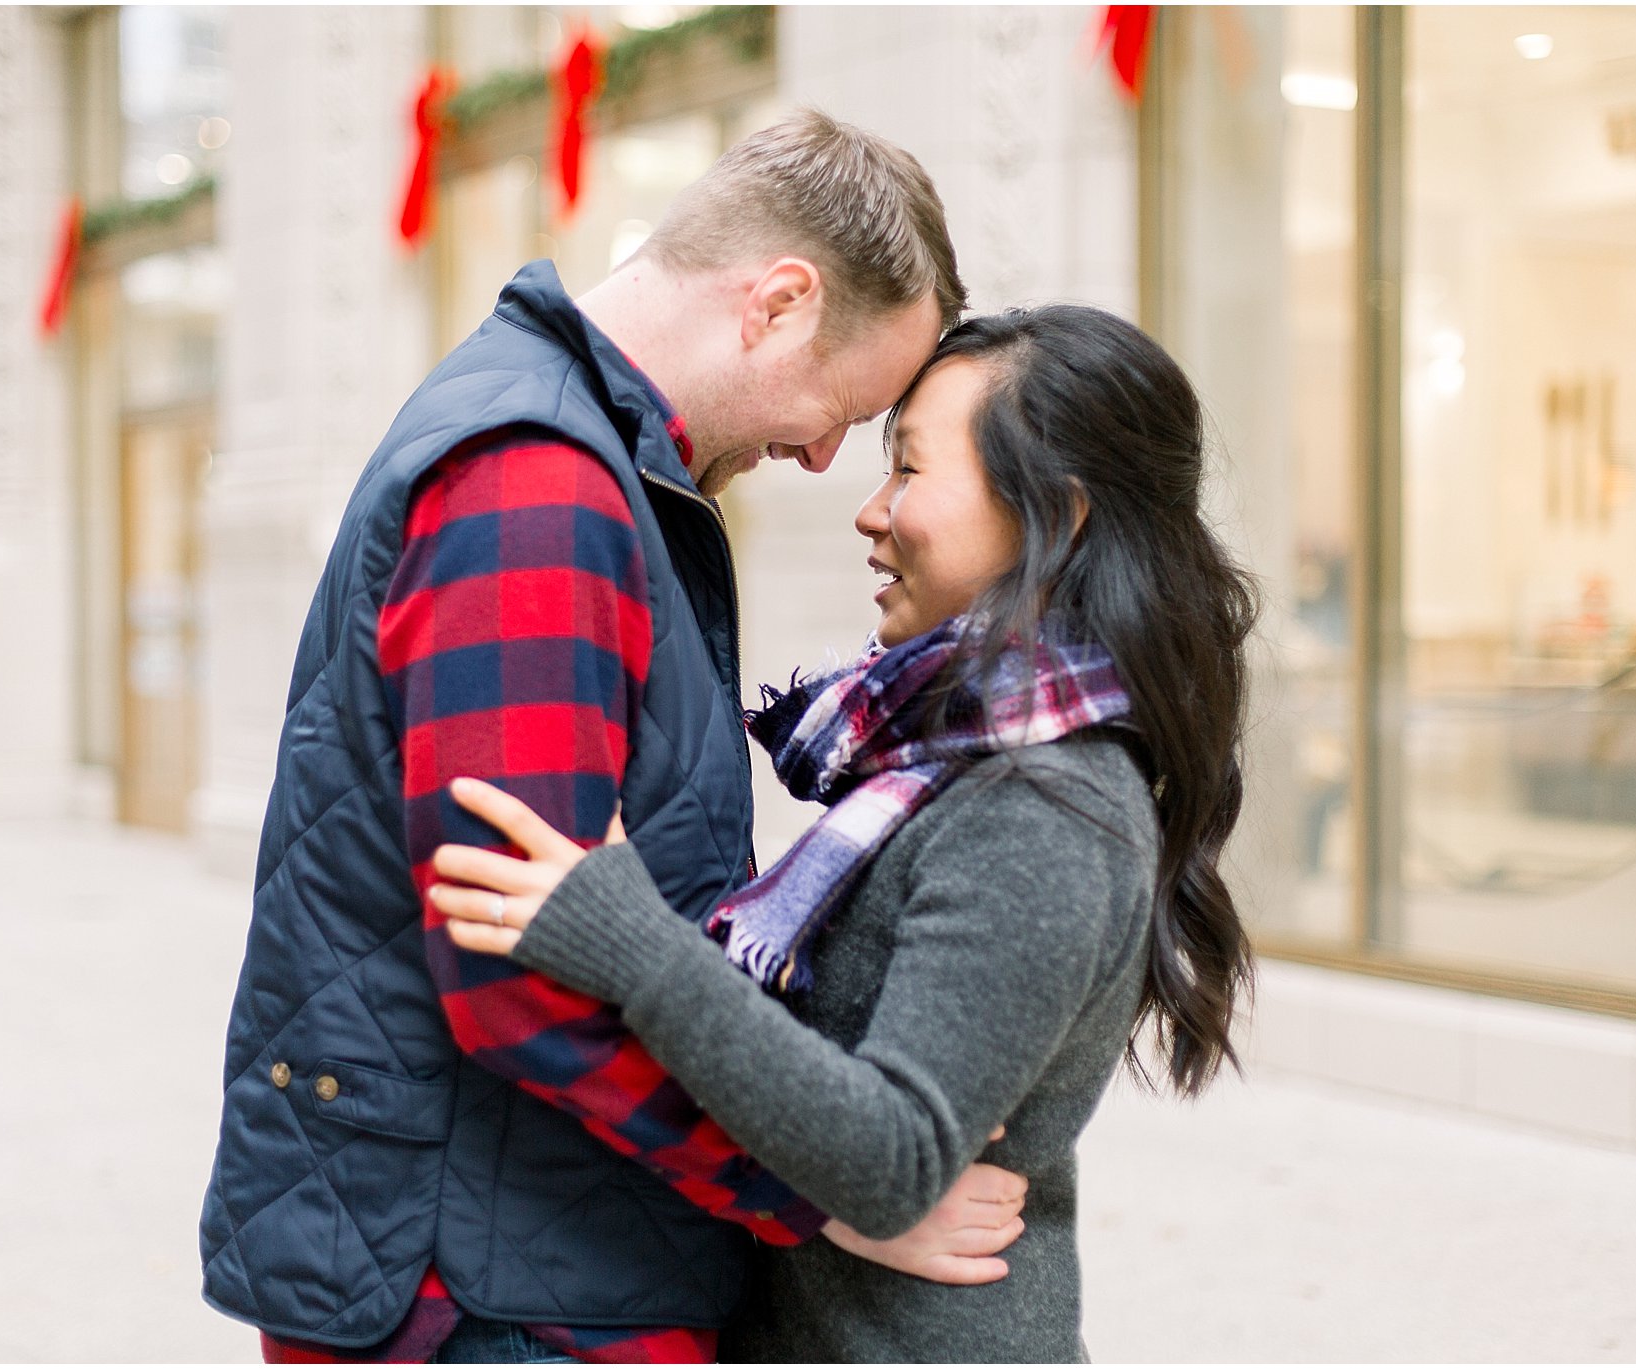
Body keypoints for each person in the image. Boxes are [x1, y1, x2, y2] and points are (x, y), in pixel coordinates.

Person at [197, 111, 1022, 1364]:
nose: (816, 458)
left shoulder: (584, 459)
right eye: (838, 409)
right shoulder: (536, 486)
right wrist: (826, 1194)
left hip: (516, 1248)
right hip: (496, 1286)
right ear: (777, 302)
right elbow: (520, 974)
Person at [429, 303, 1261, 1362]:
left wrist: (632, 942)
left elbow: (887, 1158)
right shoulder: (948, 762)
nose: (870, 511)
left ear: (1056, 514)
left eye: (909, 472)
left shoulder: (1046, 810)